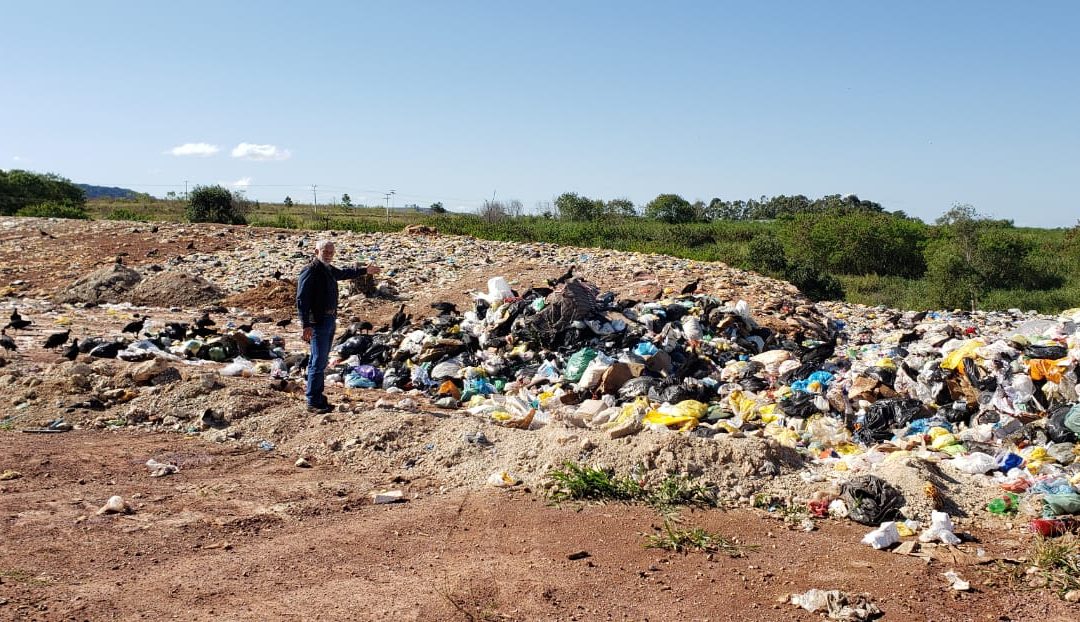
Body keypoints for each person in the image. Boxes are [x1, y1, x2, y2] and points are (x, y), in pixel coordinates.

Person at [296, 239, 380, 413]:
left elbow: (343, 274)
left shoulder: (327, 269)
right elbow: (301, 300)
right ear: (316, 251)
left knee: (319, 360)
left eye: (331, 252)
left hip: (329, 319)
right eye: (325, 251)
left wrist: (365, 270)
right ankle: (312, 401)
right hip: (317, 322)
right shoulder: (311, 270)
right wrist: (306, 324)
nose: (328, 255)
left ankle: (319, 398)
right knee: (317, 362)